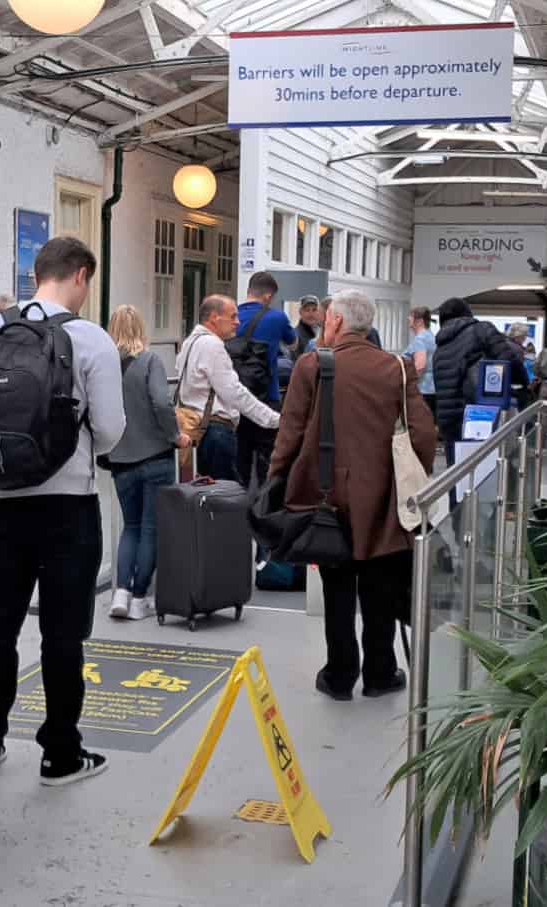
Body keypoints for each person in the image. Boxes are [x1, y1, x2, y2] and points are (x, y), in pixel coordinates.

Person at [0, 237, 124, 786]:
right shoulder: (89, 339)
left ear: (38, 275)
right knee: (62, 632)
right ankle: (60, 753)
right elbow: (109, 432)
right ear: (80, 275)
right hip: (67, 505)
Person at [269, 290, 436, 701]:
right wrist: (413, 477)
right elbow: (424, 433)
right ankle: (380, 672)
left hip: (327, 495)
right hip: (385, 495)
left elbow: (290, 432)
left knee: (337, 586)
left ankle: (340, 674)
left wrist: (277, 480)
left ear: (337, 322)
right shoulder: (397, 368)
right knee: (380, 585)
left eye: (327, 320)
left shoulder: (313, 365)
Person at [103, 305, 187, 622]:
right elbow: (161, 402)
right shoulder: (150, 361)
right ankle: (140, 597)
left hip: (121, 459)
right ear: (141, 329)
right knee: (151, 529)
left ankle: (121, 592)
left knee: (131, 528)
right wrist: (176, 435)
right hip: (155, 458)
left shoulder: (105, 365)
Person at [176, 295, 279, 482]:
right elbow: (234, 392)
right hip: (216, 431)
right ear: (214, 317)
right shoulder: (212, 344)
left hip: (194, 429)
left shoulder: (190, 341)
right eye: (232, 317)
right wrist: (272, 420)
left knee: (203, 496)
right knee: (227, 500)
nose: (237, 322)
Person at [431, 297, 522, 467]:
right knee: (485, 474)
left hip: (449, 422)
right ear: (468, 314)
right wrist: (524, 385)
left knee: (455, 477)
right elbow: (510, 362)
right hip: (480, 416)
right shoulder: (482, 329)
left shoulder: (440, 349)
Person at [235, 272, 296, 482]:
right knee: (267, 461)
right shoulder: (277, 317)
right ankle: (263, 506)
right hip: (267, 397)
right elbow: (293, 343)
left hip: (235, 399)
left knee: (239, 459)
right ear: (268, 296)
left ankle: (237, 505)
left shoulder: (231, 316)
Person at [404, 306, 437, 417]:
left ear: (419, 321)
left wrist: (407, 383)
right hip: (433, 389)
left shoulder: (420, 339)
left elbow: (420, 365)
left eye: (411, 317)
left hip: (422, 390)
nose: (408, 318)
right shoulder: (431, 336)